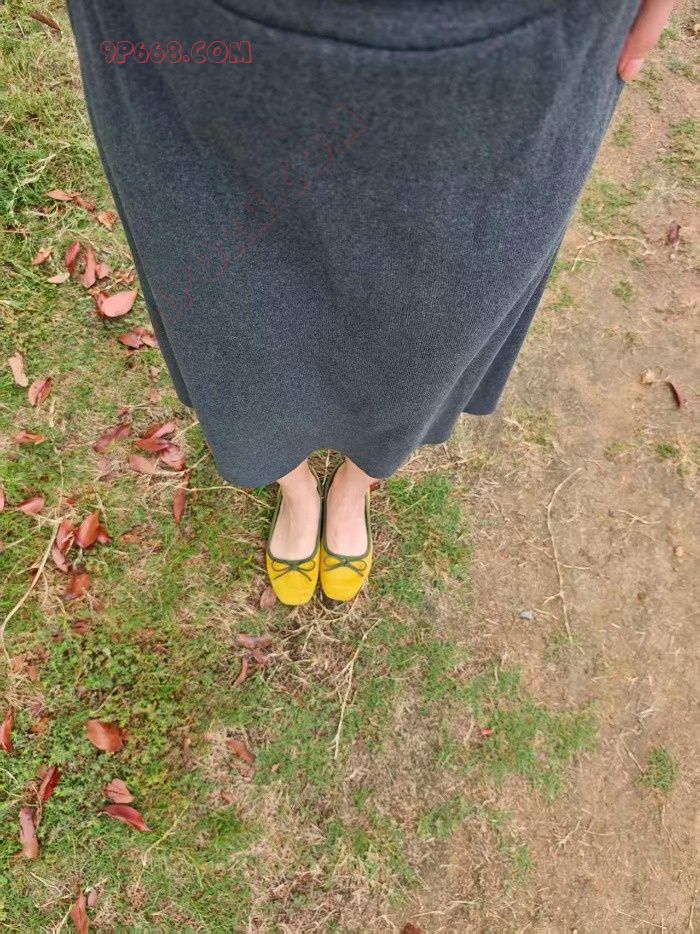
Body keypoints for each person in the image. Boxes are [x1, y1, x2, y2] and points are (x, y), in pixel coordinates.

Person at [66, 0, 674, 605]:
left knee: (432, 329)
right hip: (195, 39)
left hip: (515, 47)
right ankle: (296, 491)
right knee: (228, 307)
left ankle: (354, 487)